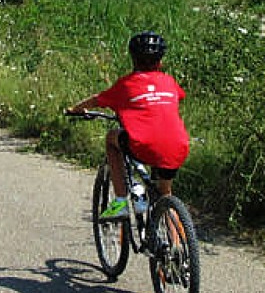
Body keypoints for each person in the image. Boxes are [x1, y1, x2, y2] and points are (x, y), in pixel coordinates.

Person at [65, 31, 190, 220]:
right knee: (166, 195)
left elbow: (96, 100)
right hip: (178, 146)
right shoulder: (169, 81)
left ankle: (121, 202)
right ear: (160, 62)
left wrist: (75, 109)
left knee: (111, 138)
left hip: (144, 146)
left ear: (132, 58)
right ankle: (178, 245)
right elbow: (178, 97)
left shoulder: (125, 84)